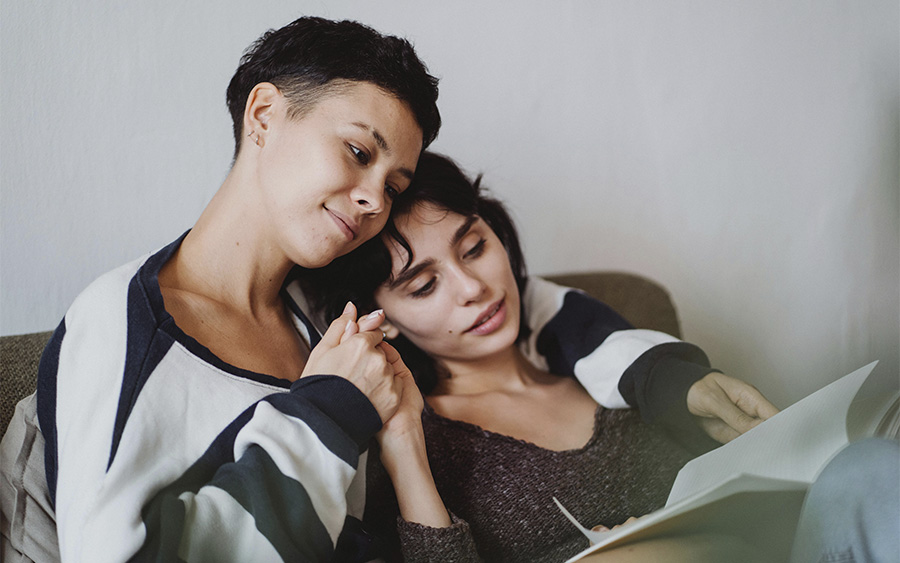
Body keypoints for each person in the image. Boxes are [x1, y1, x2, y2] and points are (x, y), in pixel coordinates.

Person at [1, 16, 440, 562]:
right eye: (358, 153)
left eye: (393, 187)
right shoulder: (124, 322)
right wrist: (329, 411)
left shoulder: (325, 340)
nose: (376, 199)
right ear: (263, 115)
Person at [301, 152, 781, 562]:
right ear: (385, 319)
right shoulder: (416, 443)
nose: (474, 288)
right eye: (425, 286)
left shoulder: (610, 366)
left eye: (474, 248)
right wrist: (404, 444)